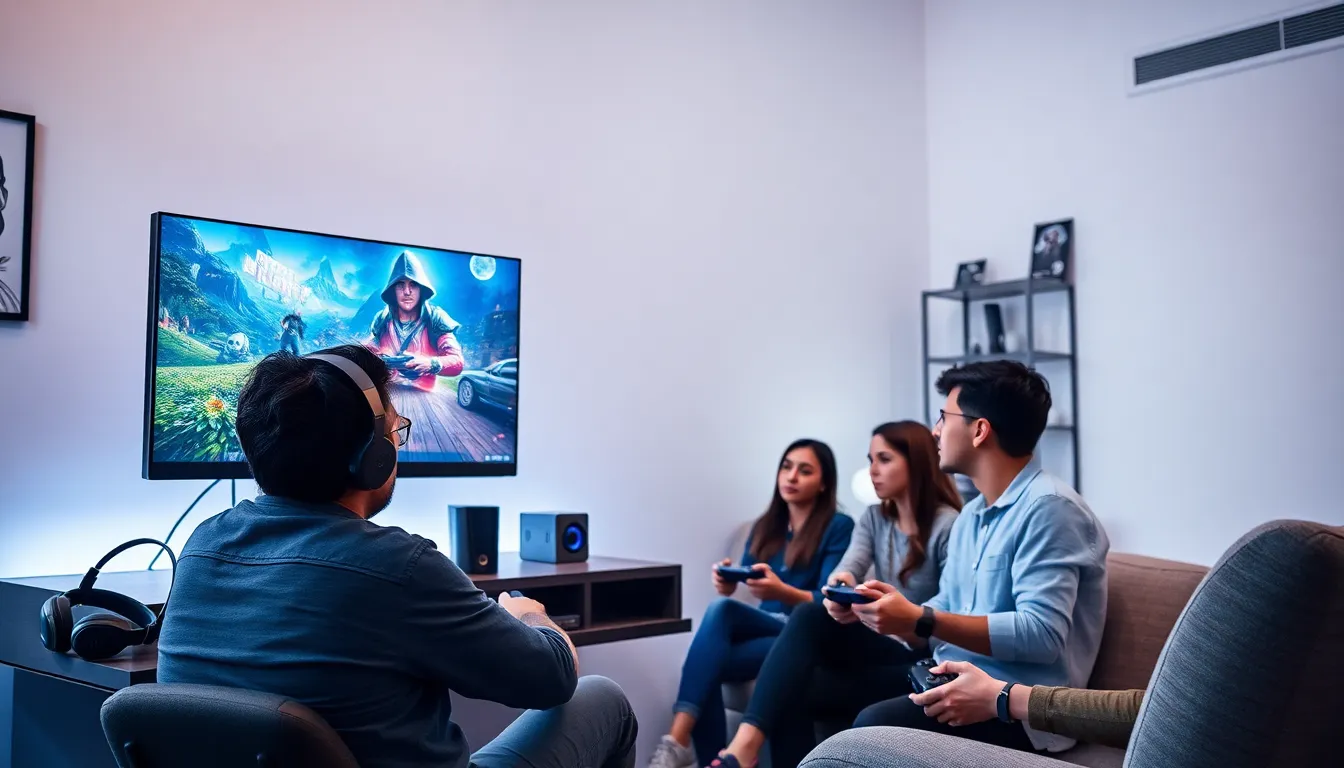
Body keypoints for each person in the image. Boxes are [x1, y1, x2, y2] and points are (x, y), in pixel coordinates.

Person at [156, 345, 637, 768]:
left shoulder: (200, 546)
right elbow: (550, 680)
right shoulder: (398, 566)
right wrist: (531, 616)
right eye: (394, 430)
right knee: (603, 699)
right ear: (373, 456)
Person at [843, 360, 1109, 756]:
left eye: (943, 417)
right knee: (818, 686)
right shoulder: (972, 516)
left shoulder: (1050, 508)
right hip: (948, 678)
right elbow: (946, 608)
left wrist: (921, 618)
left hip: (1015, 709)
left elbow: (1042, 635)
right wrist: (890, 612)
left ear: (980, 429)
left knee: (869, 727)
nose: (935, 430)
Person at [709, 421, 963, 768]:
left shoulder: (949, 525)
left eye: (884, 459)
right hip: (880, 643)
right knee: (796, 675)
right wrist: (842, 587)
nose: (872, 470)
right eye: (870, 459)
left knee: (807, 618)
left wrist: (899, 620)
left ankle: (741, 749)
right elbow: (847, 568)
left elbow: (948, 615)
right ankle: (747, 750)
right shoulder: (875, 518)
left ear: (916, 463)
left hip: (921, 654)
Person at [649, 439, 855, 768]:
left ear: (824, 482)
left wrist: (782, 591)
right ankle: (710, 758)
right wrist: (728, 581)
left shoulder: (839, 526)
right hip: (766, 632)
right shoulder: (765, 525)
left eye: (805, 471)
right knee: (714, 643)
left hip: (803, 633)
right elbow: (745, 580)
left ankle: (677, 740)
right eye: (786, 467)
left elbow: (827, 601)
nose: (792, 476)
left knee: (720, 616)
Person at [903, 660, 1142, 749]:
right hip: (948, 662)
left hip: (1029, 723)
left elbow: (1146, 714)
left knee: (874, 720)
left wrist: (999, 697)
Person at [367, 250, 466, 391]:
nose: (407, 291)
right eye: (400, 284)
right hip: (387, 392)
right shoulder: (383, 319)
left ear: (421, 288)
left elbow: (457, 361)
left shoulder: (435, 318)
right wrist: (379, 358)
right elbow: (367, 350)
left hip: (423, 397)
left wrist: (431, 363)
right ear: (393, 289)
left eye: (413, 284)